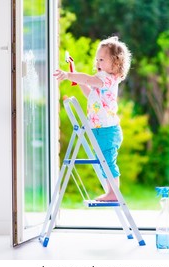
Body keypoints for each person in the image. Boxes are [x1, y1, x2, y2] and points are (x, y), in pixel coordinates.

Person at [53, 36, 132, 201]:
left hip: (107, 130)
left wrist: (68, 75)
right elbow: (90, 92)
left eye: (102, 59)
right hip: (101, 129)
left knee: (108, 161)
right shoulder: (102, 81)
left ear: (116, 63)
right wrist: (76, 78)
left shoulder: (107, 78)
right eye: (97, 59)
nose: (98, 63)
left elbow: (89, 79)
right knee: (104, 161)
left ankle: (113, 193)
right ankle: (111, 191)